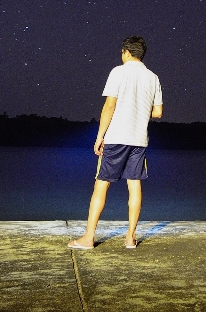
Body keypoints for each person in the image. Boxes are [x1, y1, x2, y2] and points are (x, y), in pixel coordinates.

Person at [69, 36, 163, 250]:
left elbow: (109, 106)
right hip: (139, 139)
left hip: (116, 137)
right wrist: (138, 107)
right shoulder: (153, 77)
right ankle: (130, 238)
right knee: (134, 184)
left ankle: (88, 238)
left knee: (101, 184)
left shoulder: (118, 72)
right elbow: (157, 112)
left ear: (126, 52)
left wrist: (100, 135)